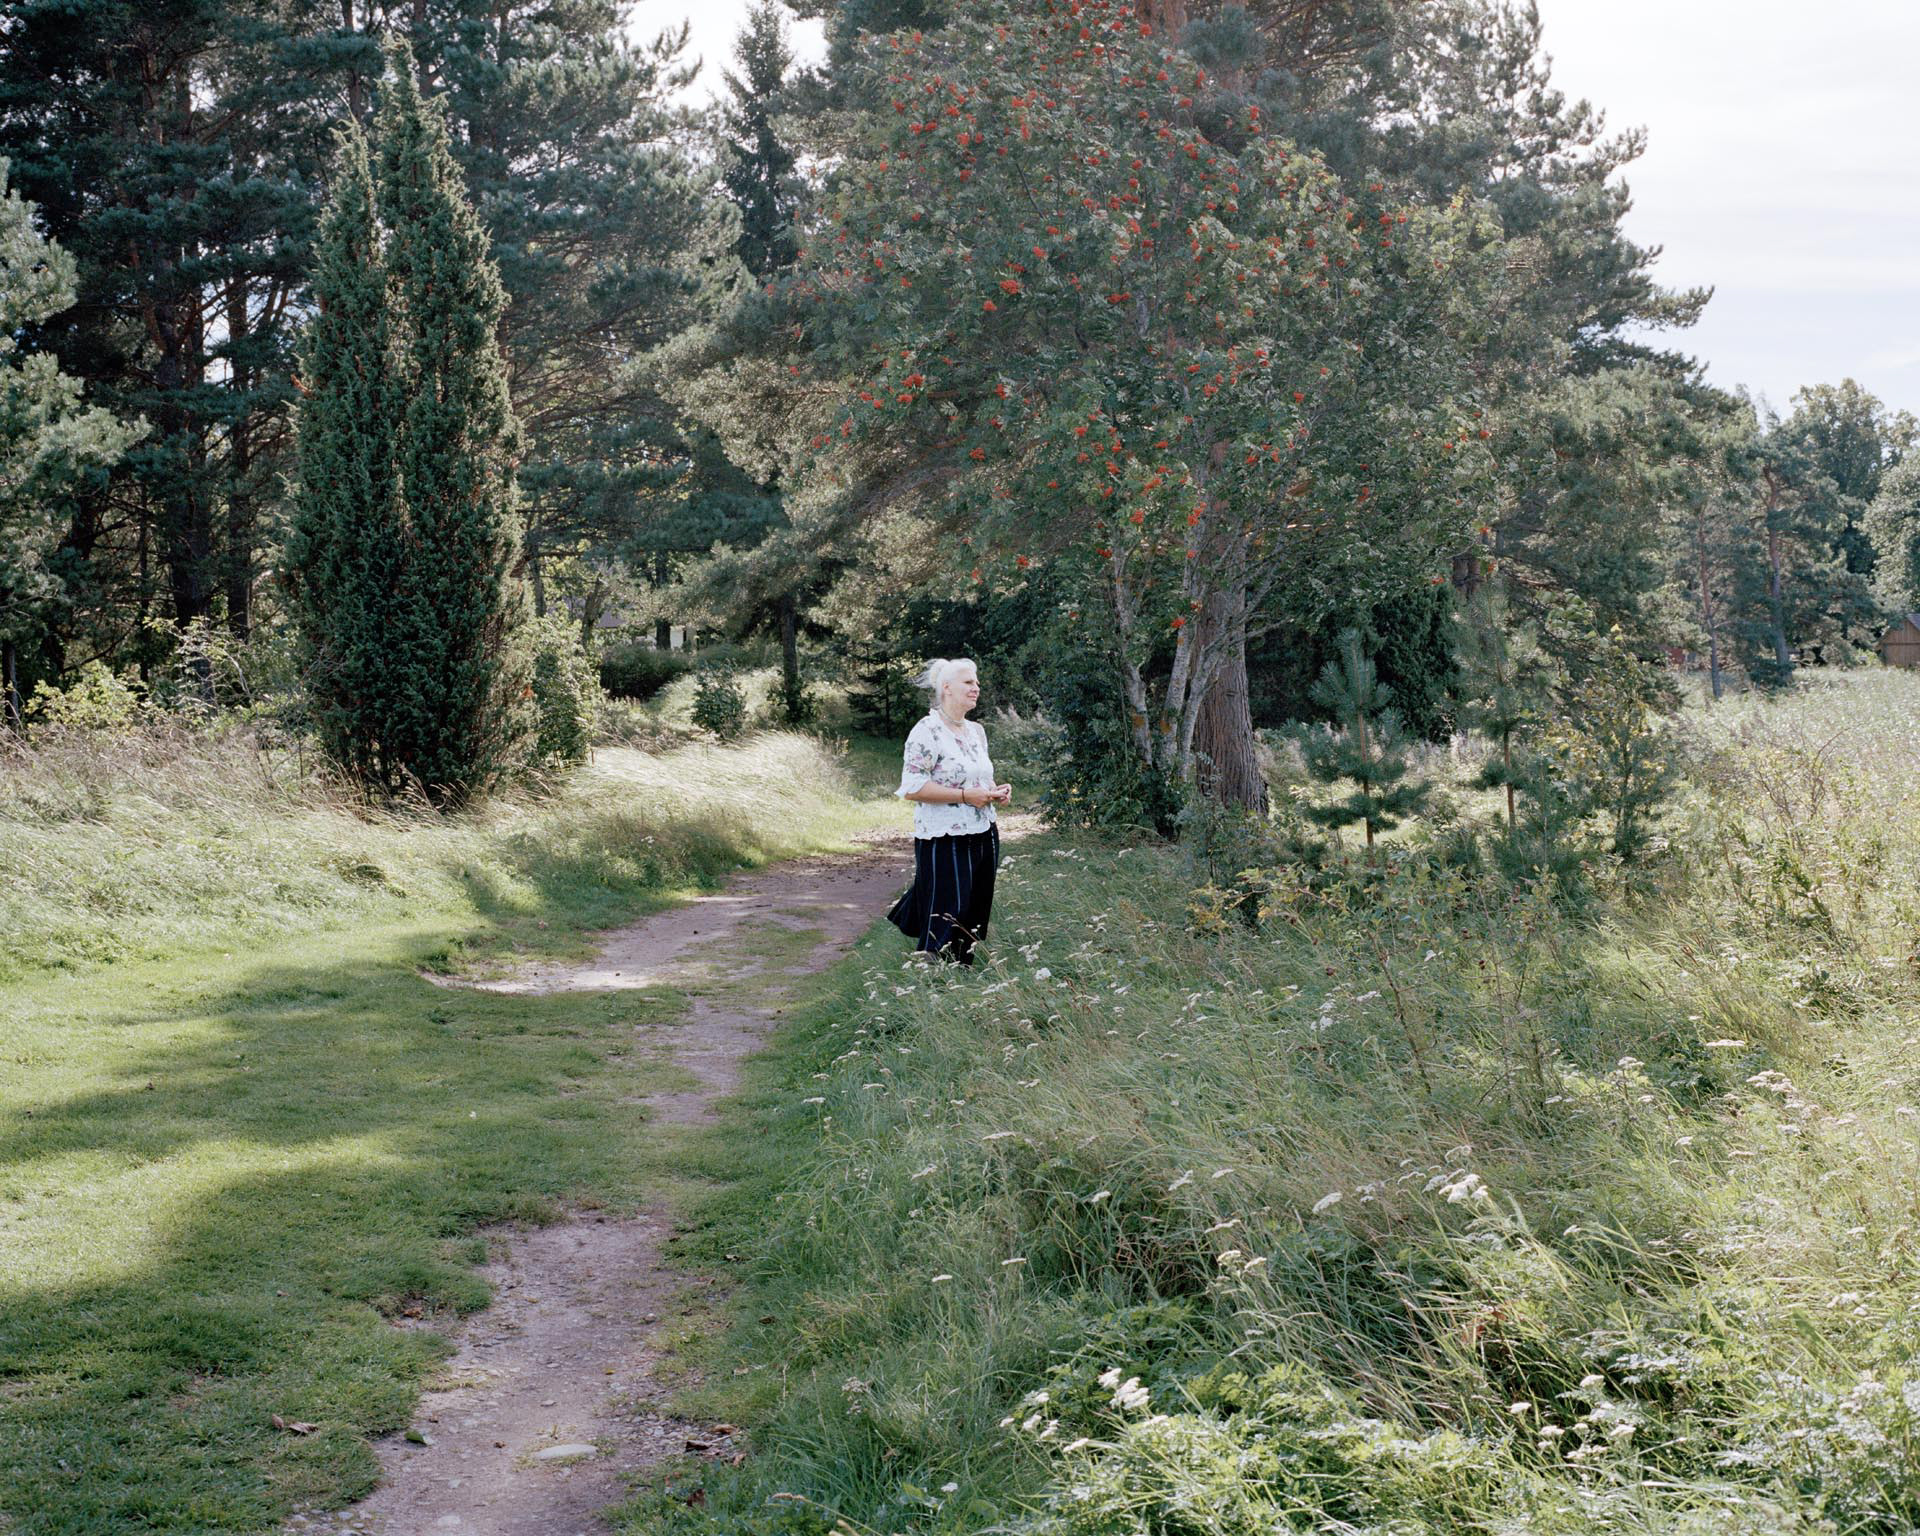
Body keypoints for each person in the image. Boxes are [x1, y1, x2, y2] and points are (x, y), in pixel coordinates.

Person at [886, 657, 1011, 965]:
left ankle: (961, 972)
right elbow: (912, 788)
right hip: (944, 835)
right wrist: (966, 796)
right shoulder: (926, 730)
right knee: (947, 907)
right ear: (946, 688)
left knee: (975, 905)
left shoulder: (976, 731)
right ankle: (929, 969)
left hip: (983, 832)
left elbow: (978, 777)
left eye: (977, 682)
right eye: (968, 682)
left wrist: (996, 791)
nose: (976, 687)